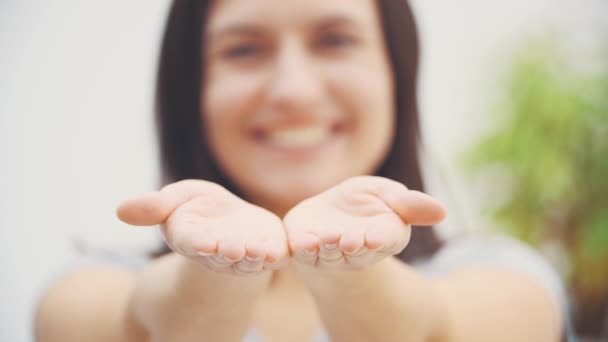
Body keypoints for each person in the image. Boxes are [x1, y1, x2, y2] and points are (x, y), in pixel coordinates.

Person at [34, 0, 569, 341]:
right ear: (189, 87)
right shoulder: (83, 293)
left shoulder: (507, 280)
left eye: (335, 40)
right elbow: (148, 325)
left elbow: (433, 327)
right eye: (243, 49)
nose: (293, 89)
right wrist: (216, 271)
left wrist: (345, 269)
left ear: (395, 73)